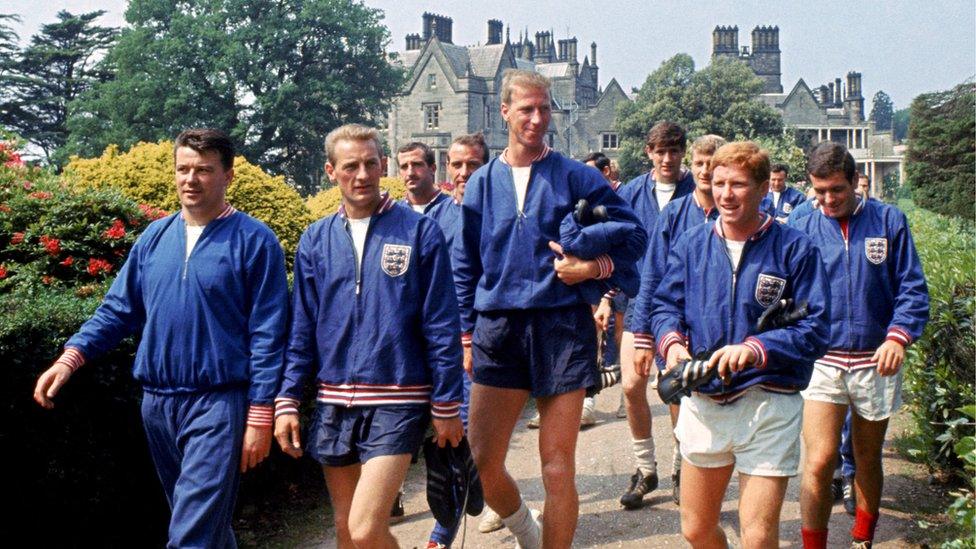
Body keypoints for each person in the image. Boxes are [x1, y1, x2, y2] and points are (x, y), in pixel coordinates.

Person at [33, 128, 289, 548]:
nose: (191, 179)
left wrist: (261, 414)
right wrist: (71, 356)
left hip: (218, 404)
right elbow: (119, 309)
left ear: (228, 175)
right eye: (183, 169)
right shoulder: (154, 238)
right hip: (158, 403)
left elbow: (268, 335)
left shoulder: (255, 241)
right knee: (205, 527)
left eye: (204, 170)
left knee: (191, 535)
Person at [454, 69, 645, 548]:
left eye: (544, 109)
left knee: (557, 467)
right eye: (526, 110)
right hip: (497, 328)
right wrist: (464, 335)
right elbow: (464, 266)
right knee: (481, 459)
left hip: (561, 328)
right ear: (504, 112)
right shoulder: (480, 184)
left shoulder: (576, 174)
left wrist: (592, 269)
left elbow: (634, 237)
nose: (538, 119)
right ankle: (525, 529)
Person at [274, 124, 464, 549]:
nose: (361, 175)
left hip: (399, 397)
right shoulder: (315, 239)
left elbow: (441, 323)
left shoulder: (419, 232)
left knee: (363, 528)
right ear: (330, 171)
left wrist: (448, 403)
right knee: (349, 532)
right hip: (334, 399)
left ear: (383, 166)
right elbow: (301, 328)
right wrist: (287, 398)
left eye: (370, 164)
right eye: (350, 166)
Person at [643, 141, 830, 548]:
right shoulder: (692, 244)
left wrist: (755, 349)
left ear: (764, 188)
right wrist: (673, 348)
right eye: (719, 182)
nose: (726, 194)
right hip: (706, 401)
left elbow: (816, 328)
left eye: (739, 184)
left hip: (768, 401)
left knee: (759, 535)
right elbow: (665, 307)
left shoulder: (796, 248)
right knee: (695, 529)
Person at [795, 142, 929, 549]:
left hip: (876, 359)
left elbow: (912, 288)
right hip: (824, 360)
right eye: (819, 192)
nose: (828, 200)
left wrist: (898, 335)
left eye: (836, 190)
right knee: (819, 462)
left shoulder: (889, 221)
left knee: (867, 457)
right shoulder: (801, 226)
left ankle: (862, 539)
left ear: (856, 182)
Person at [628, 134, 725, 505]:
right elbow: (651, 275)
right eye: (700, 163)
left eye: (712, 164)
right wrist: (642, 333)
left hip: (719, 322)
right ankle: (681, 467)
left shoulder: (734, 210)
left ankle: (707, 473)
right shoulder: (675, 213)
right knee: (678, 396)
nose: (705, 171)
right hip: (675, 321)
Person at [611, 121, 695, 509]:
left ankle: (681, 466)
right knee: (631, 386)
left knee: (676, 389)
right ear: (648, 152)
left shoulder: (699, 191)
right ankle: (646, 469)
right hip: (637, 301)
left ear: (683, 152)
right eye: (659, 151)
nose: (667, 158)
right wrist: (605, 298)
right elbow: (616, 248)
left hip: (681, 307)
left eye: (674, 150)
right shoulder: (630, 193)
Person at [424, 132, 491, 548]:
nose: (464, 172)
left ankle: (440, 536)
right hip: (444, 342)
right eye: (457, 164)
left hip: (487, 341)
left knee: (466, 431)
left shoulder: (500, 215)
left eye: (473, 164)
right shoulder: (435, 219)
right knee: (453, 432)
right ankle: (485, 490)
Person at [399, 141, 450, 213]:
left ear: (432, 169)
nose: (410, 173)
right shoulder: (394, 213)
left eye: (417, 165)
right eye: (404, 167)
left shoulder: (452, 210)